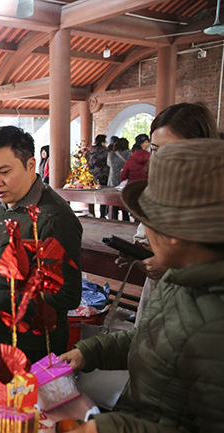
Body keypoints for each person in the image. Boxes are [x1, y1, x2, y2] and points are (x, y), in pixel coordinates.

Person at [61, 138, 224, 433]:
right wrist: (90, 352)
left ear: (173, 232)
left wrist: (109, 428)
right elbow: (151, 337)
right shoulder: (178, 279)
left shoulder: (215, 325)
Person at [0, 125, 82, 362]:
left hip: (32, 344)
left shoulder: (54, 218)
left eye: (4, 171)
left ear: (30, 165)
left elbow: (65, 295)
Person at [132, 102, 219, 327]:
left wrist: (171, 266)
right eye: (155, 150)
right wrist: (138, 252)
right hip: (158, 299)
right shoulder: (159, 189)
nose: (160, 161)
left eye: (171, 151)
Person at [106, 137, 131, 220]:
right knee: (124, 199)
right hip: (124, 178)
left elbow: (108, 164)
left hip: (113, 177)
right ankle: (125, 218)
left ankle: (113, 217)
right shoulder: (128, 153)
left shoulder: (111, 154)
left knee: (113, 200)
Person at [86, 135, 108, 217]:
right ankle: (102, 214)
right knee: (104, 195)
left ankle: (91, 213)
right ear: (102, 142)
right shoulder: (106, 151)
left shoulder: (90, 151)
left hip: (91, 176)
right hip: (103, 175)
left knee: (90, 195)